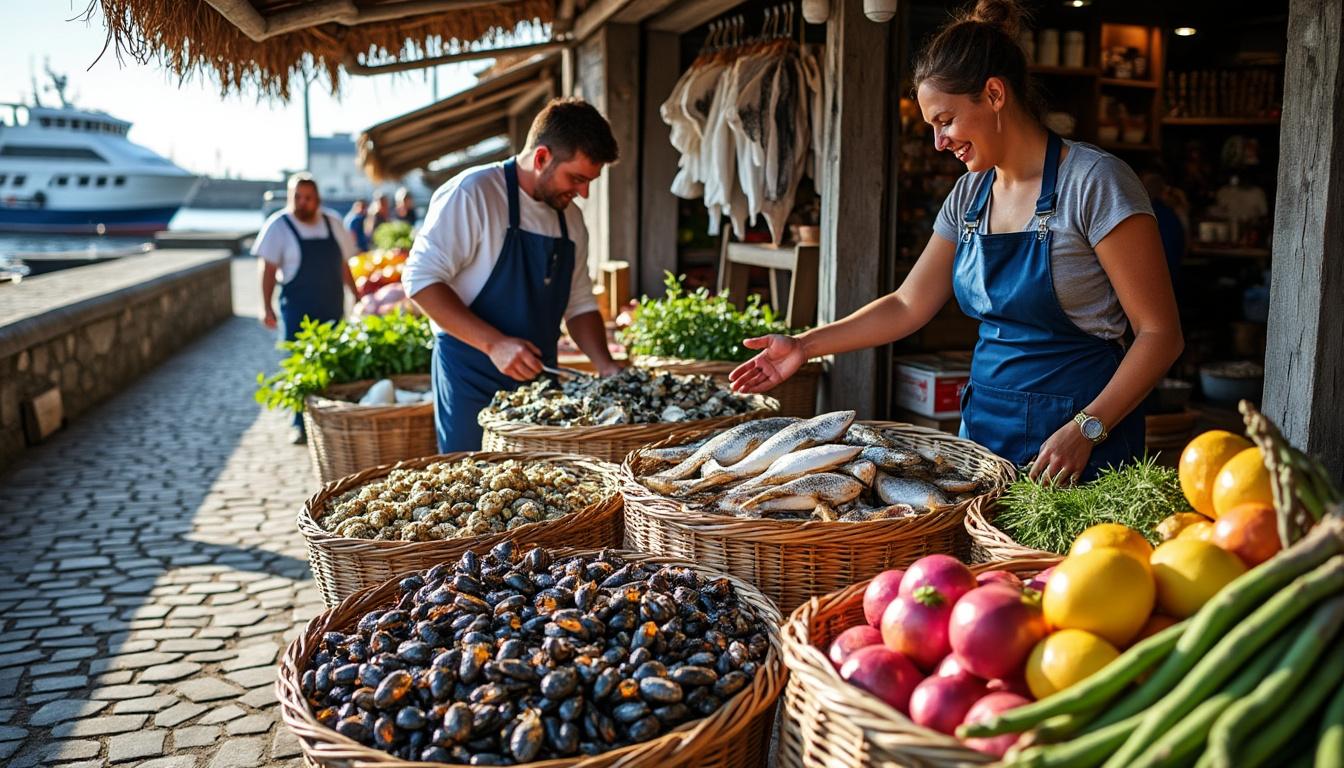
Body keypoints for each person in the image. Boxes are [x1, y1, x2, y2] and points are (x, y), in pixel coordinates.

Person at [730, 0, 1183, 485]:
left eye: (945, 120)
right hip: (983, 439)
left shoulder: (1094, 182)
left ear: (994, 94)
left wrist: (1087, 427)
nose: (938, 142)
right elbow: (907, 304)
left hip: (1081, 449)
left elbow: (1160, 335)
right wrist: (805, 345)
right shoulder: (970, 195)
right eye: (932, 126)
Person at [404, 97, 625, 452]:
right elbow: (420, 280)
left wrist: (606, 365)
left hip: (541, 386)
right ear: (541, 158)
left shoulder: (571, 220)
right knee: (471, 480)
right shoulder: (473, 193)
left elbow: (580, 302)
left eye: (589, 182)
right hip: (471, 379)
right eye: (577, 178)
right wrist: (494, 344)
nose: (583, 193)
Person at [254, 173, 359, 444]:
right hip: (297, 310)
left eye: (308, 198)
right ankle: (300, 423)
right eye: (297, 197)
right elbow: (268, 269)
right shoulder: (278, 226)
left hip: (331, 308)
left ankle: (330, 422)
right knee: (299, 367)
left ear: (317, 199)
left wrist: (356, 295)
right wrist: (266, 306)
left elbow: (344, 265)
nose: (302, 202)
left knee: (331, 365)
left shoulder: (333, 223)